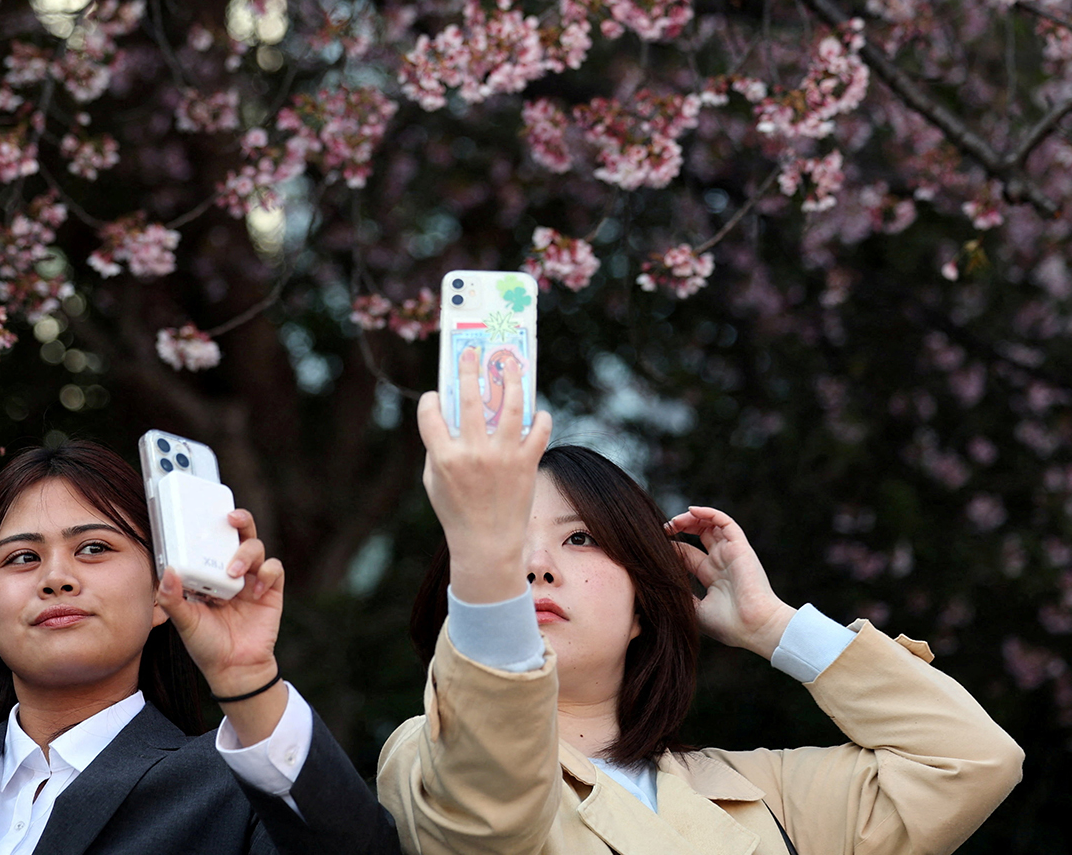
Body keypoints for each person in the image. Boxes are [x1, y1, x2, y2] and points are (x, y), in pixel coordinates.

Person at [376, 348, 1024, 855]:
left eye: (579, 537)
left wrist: (771, 626)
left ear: (641, 605)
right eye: (504, 543)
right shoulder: (428, 754)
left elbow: (970, 760)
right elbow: (487, 806)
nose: (536, 565)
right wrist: (484, 567)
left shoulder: (758, 795)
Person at [0, 440, 398, 855]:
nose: (56, 577)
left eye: (94, 548)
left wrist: (249, 679)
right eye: (23, 557)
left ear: (163, 594)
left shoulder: (232, 789)